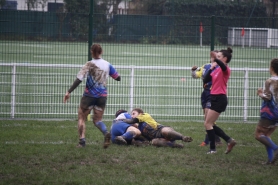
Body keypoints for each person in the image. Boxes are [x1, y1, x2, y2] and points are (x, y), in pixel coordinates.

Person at [63, 43, 121, 148]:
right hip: (102, 97)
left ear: (92, 52)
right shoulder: (107, 64)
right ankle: (105, 133)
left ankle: (82, 142)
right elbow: (118, 78)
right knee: (98, 120)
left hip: (89, 96)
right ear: (101, 52)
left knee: (81, 118)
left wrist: (69, 91)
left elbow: (79, 80)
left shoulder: (89, 64)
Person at [203, 47, 236, 154]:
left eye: (219, 56)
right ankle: (229, 140)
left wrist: (215, 59)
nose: (216, 58)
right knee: (210, 124)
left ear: (225, 59)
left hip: (220, 98)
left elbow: (222, 66)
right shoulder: (216, 69)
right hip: (214, 98)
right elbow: (206, 79)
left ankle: (213, 149)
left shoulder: (225, 69)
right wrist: (212, 67)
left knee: (208, 124)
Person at [191, 50, 222, 147]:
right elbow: (195, 76)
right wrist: (193, 71)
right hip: (205, 93)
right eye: (214, 55)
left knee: (208, 118)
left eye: (217, 56)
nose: (214, 57)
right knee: (206, 117)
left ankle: (208, 141)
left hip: (213, 94)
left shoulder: (220, 68)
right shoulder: (205, 66)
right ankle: (217, 139)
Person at [122, 108, 193, 148]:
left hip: (160, 130)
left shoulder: (144, 115)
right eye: (131, 114)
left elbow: (132, 120)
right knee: (154, 142)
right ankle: (175, 145)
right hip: (159, 138)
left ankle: (183, 137)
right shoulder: (139, 127)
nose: (132, 116)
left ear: (140, 113)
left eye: (133, 113)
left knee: (165, 131)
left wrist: (121, 120)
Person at [255, 58, 278, 165]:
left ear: (272, 68)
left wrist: (260, 93)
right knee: (266, 135)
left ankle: (276, 148)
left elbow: (268, 98)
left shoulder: (270, 81)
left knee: (259, 134)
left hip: (270, 112)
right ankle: (270, 160)